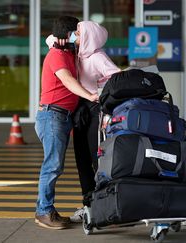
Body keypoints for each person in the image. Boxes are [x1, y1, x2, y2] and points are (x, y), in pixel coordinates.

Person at [46, 21, 120, 223]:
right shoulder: (76, 53)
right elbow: (50, 39)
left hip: (94, 110)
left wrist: (98, 93)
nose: (73, 37)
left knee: (97, 160)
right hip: (81, 112)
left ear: (89, 38)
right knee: (82, 161)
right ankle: (89, 203)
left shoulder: (97, 57)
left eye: (78, 34)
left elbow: (117, 78)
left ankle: (104, 204)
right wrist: (61, 37)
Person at [34, 16, 98, 230]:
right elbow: (68, 81)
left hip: (62, 116)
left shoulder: (67, 51)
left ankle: (46, 210)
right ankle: (44, 212)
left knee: (54, 165)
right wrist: (90, 96)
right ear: (67, 36)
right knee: (52, 166)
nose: (79, 36)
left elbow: (52, 38)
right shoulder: (57, 55)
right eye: (76, 33)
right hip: (52, 115)